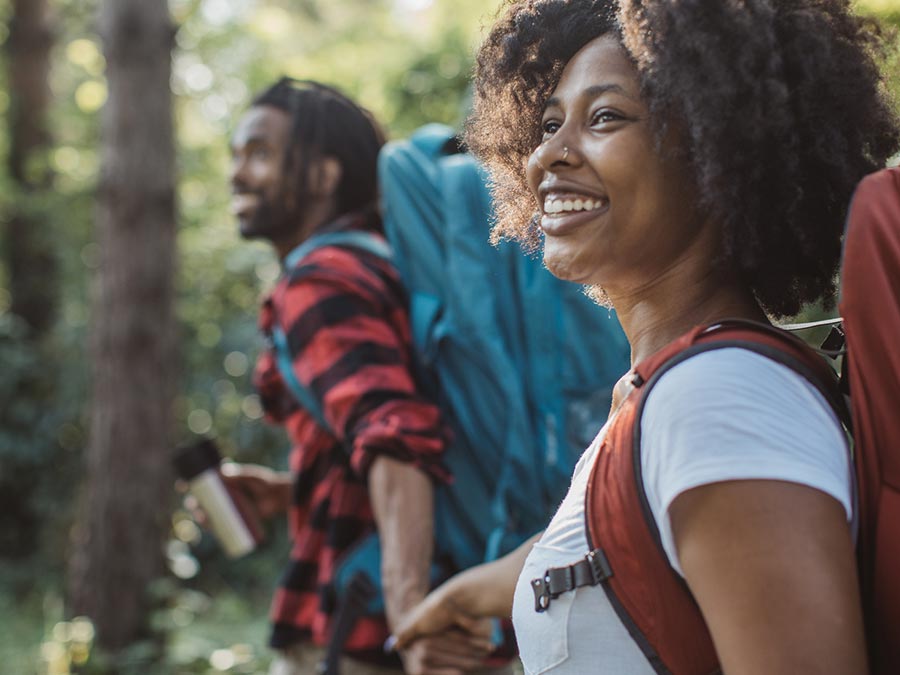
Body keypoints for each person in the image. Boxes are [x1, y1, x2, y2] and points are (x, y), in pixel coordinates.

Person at [390, 1, 900, 674]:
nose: (548, 154)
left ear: (719, 150)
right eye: (547, 123)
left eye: (605, 116)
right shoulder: (658, 394)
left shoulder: (716, 399)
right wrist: (465, 596)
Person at [220, 78, 496, 675]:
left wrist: (408, 615)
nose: (237, 173)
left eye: (260, 154)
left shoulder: (320, 281)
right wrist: (290, 490)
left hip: (369, 629)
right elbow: (397, 430)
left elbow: (395, 437)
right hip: (454, 588)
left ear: (323, 176)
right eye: (236, 154)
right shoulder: (384, 262)